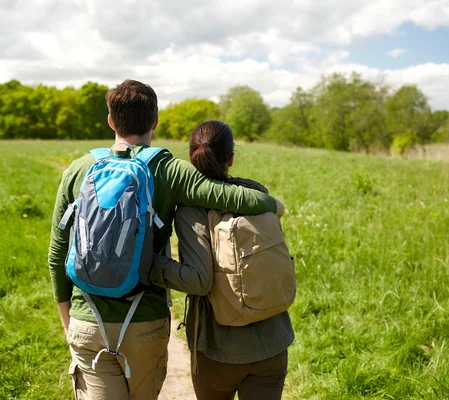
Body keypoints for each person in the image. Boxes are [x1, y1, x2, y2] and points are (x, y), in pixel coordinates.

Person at [48, 80, 283, 400]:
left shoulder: (78, 170)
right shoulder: (168, 169)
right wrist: (274, 204)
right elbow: (228, 195)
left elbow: (57, 253)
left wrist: (67, 321)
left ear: (111, 121)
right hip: (145, 320)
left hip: (86, 318)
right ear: (155, 121)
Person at [149, 120, 295, 400]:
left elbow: (198, 281)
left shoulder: (191, 210)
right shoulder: (257, 196)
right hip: (274, 341)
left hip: (218, 350)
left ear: (192, 159)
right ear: (231, 158)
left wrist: (153, 265)